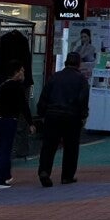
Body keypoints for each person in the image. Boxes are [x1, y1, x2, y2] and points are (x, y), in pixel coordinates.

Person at [36, 53, 90, 186]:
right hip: (72, 116)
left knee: (49, 145)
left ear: (66, 62)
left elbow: (44, 95)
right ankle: (67, 175)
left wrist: (41, 113)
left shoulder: (55, 76)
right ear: (79, 64)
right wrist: (83, 115)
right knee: (71, 147)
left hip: (52, 114)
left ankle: (44, 171)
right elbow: (83, 100)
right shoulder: (81, 79)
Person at [0, 64, 32, 189]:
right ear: (16, 72)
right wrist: (31, 122)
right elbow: (23, 106)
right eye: (22, 70)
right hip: (7, 119)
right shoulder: (17, 87)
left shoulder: (0, 84)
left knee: (1, 148)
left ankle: (6, 175)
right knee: (5, 149)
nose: (23, 73)